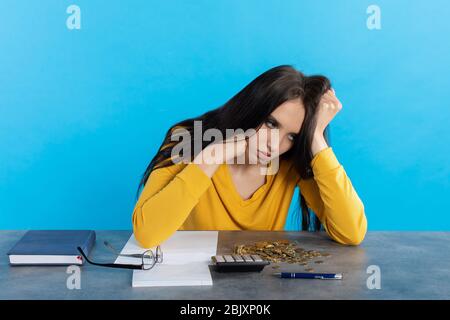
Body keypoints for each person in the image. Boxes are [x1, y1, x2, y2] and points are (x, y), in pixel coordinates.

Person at [132, 65, 367, 248]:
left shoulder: (290, 163)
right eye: (271, 123)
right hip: (191, 284)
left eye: (293, 137)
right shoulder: (186, 139)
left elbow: (351, 233)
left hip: (258, 289)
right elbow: (147, 234)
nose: (274, 145)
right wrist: (211, 156)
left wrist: (315, 136)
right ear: (252, 108)